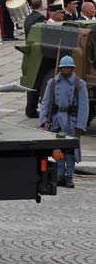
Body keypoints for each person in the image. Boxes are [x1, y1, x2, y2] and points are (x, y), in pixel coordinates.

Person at [39, 55, 89, 187]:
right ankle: (60, 175)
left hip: (71, 122)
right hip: (56, 121)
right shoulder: (53, 83)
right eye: (64, 68)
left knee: (70, 152)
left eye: (68, 67)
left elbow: (84, 107)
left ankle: (69, 176)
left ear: (72, 68)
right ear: (60, 68)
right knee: (58, 150)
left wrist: (80, 126)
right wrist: (44, 120)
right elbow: (45, 103)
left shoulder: (79, 84)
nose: (66, 70)